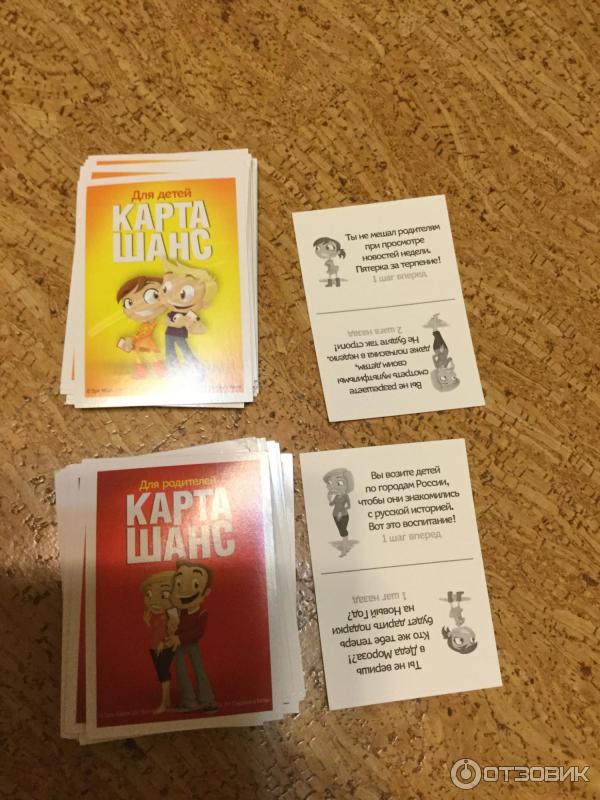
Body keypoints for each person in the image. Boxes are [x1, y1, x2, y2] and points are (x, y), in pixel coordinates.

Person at [170, 560, 218, 712]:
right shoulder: (180, 611)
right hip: (177, 646)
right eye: (179, 583)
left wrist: (179, 638)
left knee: (199, 670)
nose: (185, 589)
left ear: (206, 592)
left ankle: (207, 700)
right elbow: (175, 626)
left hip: (190, 645)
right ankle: (189, 700)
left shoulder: (202, 613)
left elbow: (198, 632)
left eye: (195, 584)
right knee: (181, 672)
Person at [160, 262, 218, 374]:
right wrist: (176, 324)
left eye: (183, 293)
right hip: (169, 334)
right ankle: (172, 368)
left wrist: (191, 324)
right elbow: (165, 321)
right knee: (169, 350)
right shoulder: (172, 312)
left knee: (185, 350)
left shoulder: (190, 314)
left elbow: (198, 325)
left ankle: (194, 365)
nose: (173, 297)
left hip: (180, 335)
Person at [140, 570, 178, 713]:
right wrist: (147, 622)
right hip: (154, 647)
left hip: (165, 647)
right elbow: (155, 632)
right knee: (162, 675)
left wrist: (164, 642)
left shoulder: (172, 613)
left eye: (164, 594)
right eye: (149, 594)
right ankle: (167, 702)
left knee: (163, 675)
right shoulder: (161, 614)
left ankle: (163, 704)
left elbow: (174, 630)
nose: (154, 600)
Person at [116, 275, 166, 378]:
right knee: (140, 355)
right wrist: (131, 340)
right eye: (128, 303)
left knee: (150, 355)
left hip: (145, 341)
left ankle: (157, 371)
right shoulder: (143, 323)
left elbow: (145, 332)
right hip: (141, 341)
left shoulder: (151, 322)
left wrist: (133, 339)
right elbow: (140, 333)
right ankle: (145, 372)